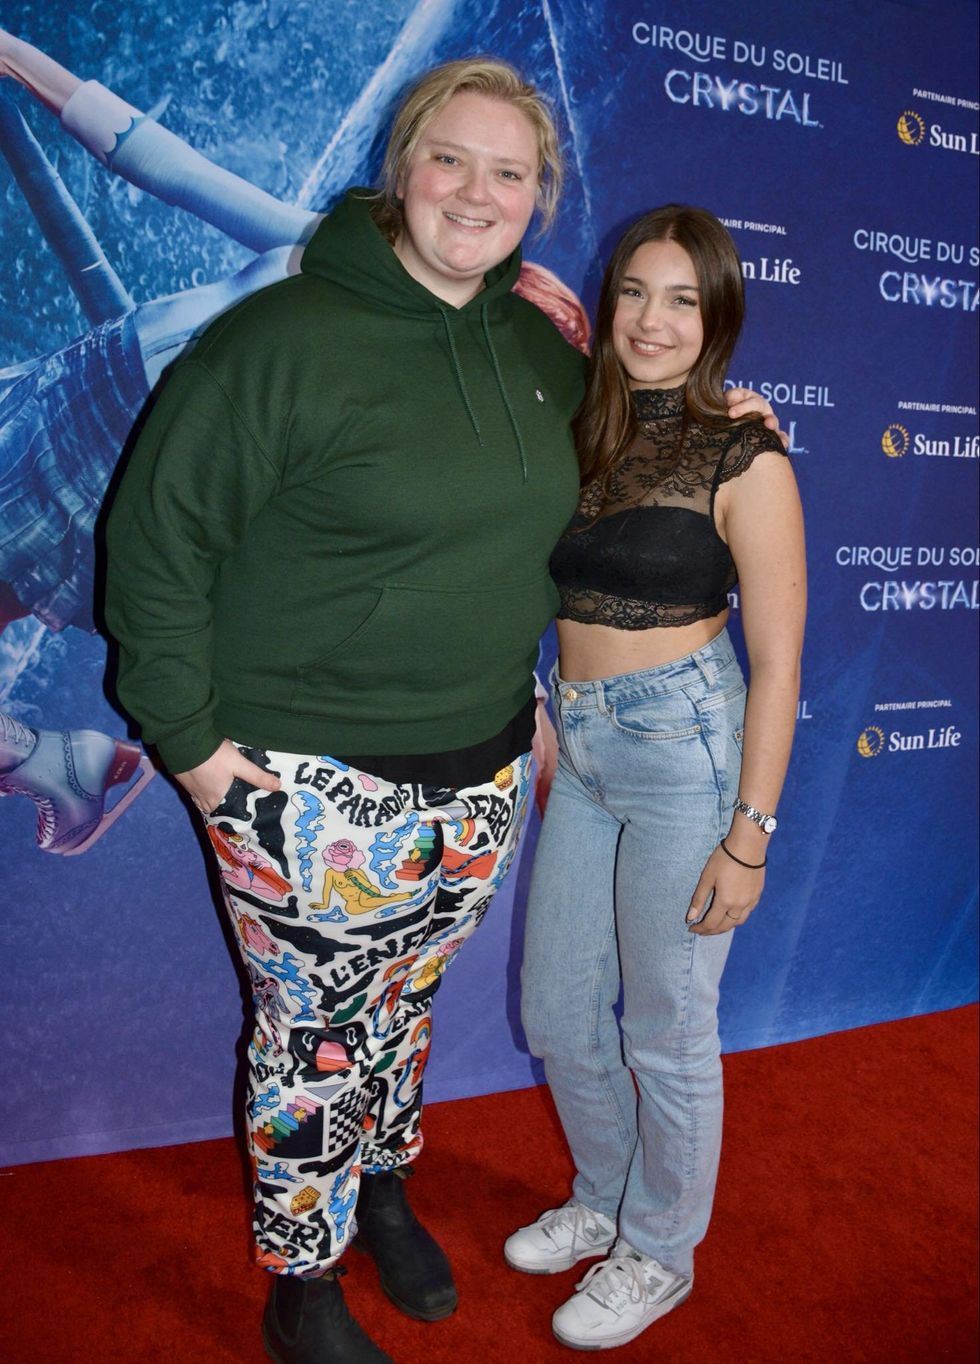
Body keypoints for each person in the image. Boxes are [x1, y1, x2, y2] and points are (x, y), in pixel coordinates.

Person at [503, 206, 806, 1352]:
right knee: (554, 1008)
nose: (650, 319)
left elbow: (777, 658)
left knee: (665, 1027)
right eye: (633, 290)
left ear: (718, 312)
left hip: (686, 748)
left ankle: (660, 1250)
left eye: (682, 298)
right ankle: (607, 1192)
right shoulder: (578, 426)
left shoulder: (744, 447)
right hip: (579, 743)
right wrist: (540, 705)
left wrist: (750, 834)